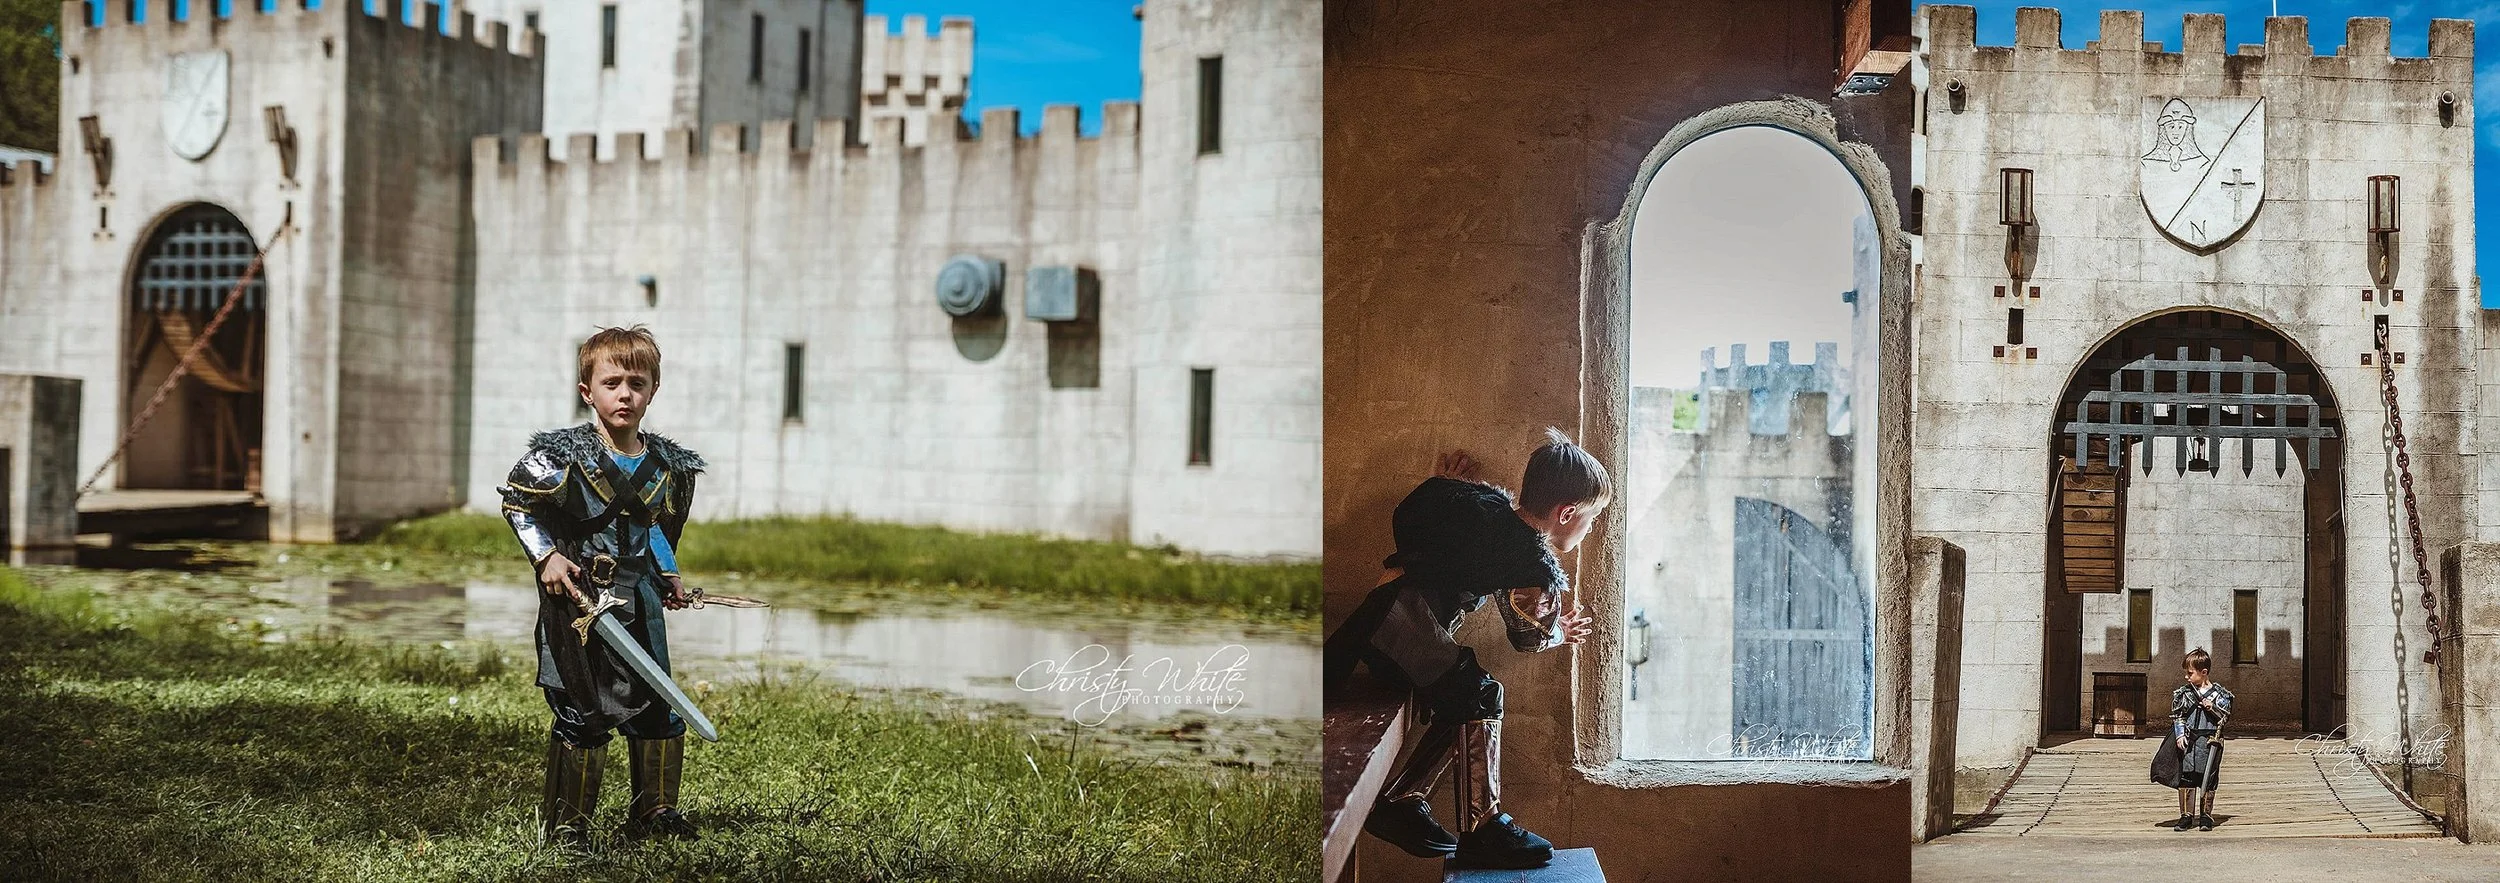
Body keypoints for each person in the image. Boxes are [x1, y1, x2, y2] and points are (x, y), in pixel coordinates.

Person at [1323, 428, 1606, 870]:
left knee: (1464, 698)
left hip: (1389, 614)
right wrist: (1559, 631)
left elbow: (1439, 504)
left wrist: (1455, 483)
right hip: (1402, 626)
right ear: (1566, 513)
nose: (1588, 532)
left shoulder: (1488, 508)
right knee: (1480, 694)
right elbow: (1526, 636)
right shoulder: (1532, 560)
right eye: (1590, 520)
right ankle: (1482, 826)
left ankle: (1402, 802)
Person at [500, 325, 707, 844]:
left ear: (652, 391)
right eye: (611, 382)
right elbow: (518, 504)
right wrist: (545, 555)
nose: (625, 394)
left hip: (639, 602)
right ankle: (568, 826)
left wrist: (669, 577)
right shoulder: (562, 457)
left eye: (636, 383)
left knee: (659, 702)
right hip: (581, 606)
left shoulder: (668, 467)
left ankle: (655, 813)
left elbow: (655, 526)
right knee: (583, 708)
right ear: (587, 391)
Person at [2156, 647, 2232, 832]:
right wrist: (2180, 734)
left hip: (2210, 741)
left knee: (2209, 777)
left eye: (2190, 673)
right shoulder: (2184, 694)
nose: (2187, 677)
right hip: (2190, 740)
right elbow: (2178, 716)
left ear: (2204, 672)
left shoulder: (2221, 695)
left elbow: (2225, 717)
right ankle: (2186, 816)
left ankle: (2206, 816)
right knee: (2187, 776)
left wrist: (2211, 707)